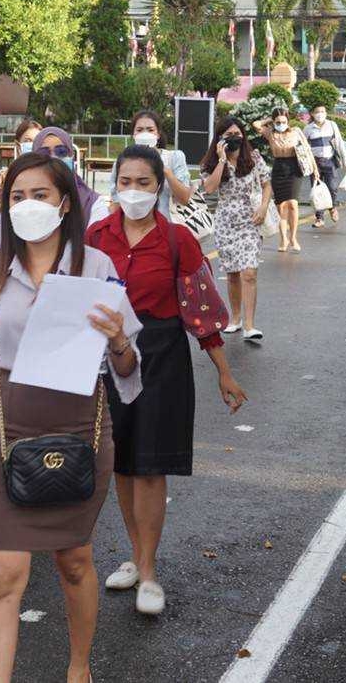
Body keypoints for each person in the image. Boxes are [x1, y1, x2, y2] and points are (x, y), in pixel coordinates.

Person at [0, 151, 143, 683]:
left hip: (81, 428)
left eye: (39, 195)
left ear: (64, 204)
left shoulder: (96, 268)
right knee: (2, 574)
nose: (27, 205)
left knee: (73, 561)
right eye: (17, 196)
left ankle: (79, 668)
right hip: (7, 430)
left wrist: (118, 340)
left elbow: (127, 368)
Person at [88, 147, 248, 616]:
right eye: (125, 181)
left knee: (150, 466)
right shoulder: (95, 237)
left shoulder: (179, 240)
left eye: (143, 182)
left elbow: (201, 312)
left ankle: (149, 569)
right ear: (114, 185)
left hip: (162, 355)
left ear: (159, 186)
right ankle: (136, 556)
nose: (133, 191)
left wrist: (224, 372)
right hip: (109, 357)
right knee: (121, 463)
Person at [202, 117, 272, 341]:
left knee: (249, 272)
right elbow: (209, 188)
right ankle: (235, 319)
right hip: (225, 223)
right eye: (228, 135)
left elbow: (266, 184)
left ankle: (250, 326)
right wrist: (222, 160)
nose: (234, 138)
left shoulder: (253, 157)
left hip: (250, 220)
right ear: (220, 139)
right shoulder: (211, 162)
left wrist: (263, 207)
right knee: (232, 274)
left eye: (237, 134)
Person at [253, 106, 314, 252]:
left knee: (293, 204)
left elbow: (307, 150)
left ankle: (293, 237)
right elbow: (256, 124)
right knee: (281, 206)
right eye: (278, 122)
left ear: (288, 121)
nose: (281, 124)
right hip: (278, 168)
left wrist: (315, 170)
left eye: (284, 121)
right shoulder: (270, 133)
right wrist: (270, 119)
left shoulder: (296, 131)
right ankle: (283, 238)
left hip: (294, 168)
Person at [115, 109, 194, 217]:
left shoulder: (174, 157)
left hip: (167, 222)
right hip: (132, 222)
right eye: (139, 130)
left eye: (150, 130)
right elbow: (116, 202)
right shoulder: (123, 162)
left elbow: (184, 199)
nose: (145, 134)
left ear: (158, 134)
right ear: (133, 134)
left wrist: (163, 168)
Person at [33, 125, 110, 226]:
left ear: (71, 156)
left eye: (61, 152)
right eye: (44, 154)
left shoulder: (92, 203)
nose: (54, 158)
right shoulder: (27, 200)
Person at [304, 103, 346, 228]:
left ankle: (332, 207)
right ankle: (319, 218)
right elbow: (303, 146)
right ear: (312, 114)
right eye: (317, 112)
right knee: (317, 191)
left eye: (322, 111)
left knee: (332, 187)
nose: (320, 114)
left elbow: (339, 143)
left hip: (330, 161)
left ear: (326, 113)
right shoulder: (308, 129)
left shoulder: (332, 125)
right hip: (315, 163)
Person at [0, 118, 43, 212]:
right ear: (18, 144)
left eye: (37, 141)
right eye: (28, 141)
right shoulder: (7, 176)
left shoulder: (50, 174)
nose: (33, 145)